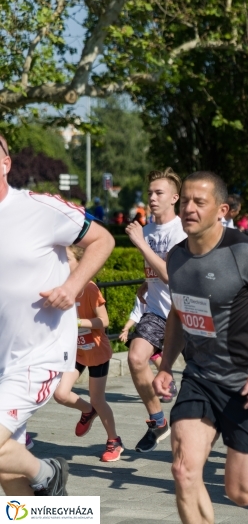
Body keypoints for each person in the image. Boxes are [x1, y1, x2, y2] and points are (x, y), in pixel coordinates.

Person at [151, 171, 248, 524]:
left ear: (221, 209)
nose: (189, 208)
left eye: (199, 202)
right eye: (185, 200)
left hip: (246, 382)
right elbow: (178, 312)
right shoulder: (176, 257)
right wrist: (165, 367)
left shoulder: (245, 253)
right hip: (199, 377)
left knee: (241, 493)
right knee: (183, 471)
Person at [0, 133, 115, 496]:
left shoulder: (39, 208)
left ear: (5, 164)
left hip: (38, 354)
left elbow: (104, 239)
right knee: (7, 472)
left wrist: (72, 286)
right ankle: (56, 510)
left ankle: (48, 473)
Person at [125, 168, 186, 452]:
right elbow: (154, 273)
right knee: (136, 358)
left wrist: (140, 242)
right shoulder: (147, 230)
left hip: (188, 314)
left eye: (159, 193)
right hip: (157, 313)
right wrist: (144, 284)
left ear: (174, 197)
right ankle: (158, 420)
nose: (152, 198)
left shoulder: (182, 230)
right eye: (150, 193)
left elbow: (171, 275)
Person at [53, 246, 122, 462]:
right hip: (78, 352)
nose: (62, 263)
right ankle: (87, 410)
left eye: (67, 258)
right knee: (60, 394)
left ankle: (114, 441)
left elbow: (105, 321)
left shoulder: (90, 289)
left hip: (97, 352)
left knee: (98, 399)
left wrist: (78, 323)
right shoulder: (62, 288)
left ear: (81, 263)